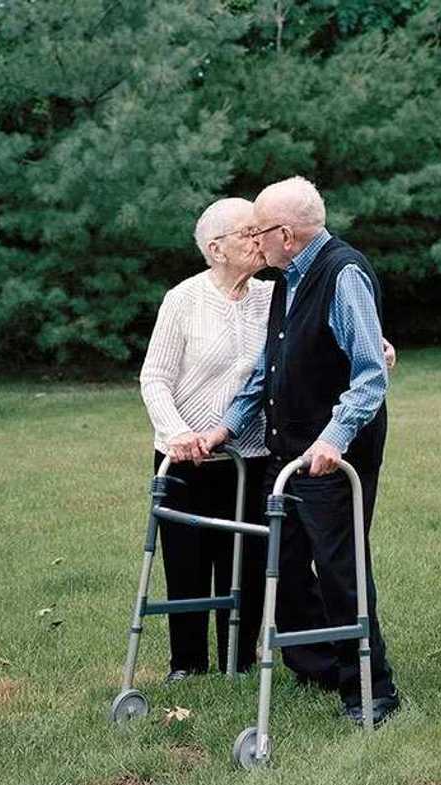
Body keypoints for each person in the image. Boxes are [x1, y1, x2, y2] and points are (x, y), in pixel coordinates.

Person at [200, 176, 401, 726]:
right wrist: (227, 426)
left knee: (340, 566)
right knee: (282, 561)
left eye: (259, 231)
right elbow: (269, 365)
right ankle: (319, 667)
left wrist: (333, 440)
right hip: (284, 447)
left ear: (286, 234)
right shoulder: (290, 277)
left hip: (334, 450)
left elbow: (368, 374)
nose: (254, 241)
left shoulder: (343, 275)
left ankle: (371, 690)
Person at [139, 197, 271, 681]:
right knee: (188, 564)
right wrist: (177, 433)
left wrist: (375, 341)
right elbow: (154, 377)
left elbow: (317, 335)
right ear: (217, 249)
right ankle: (188, 666)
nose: (260, 241)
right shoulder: (184, 299)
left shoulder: (270, 298)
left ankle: (238, 661)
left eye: (260, 232)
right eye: (248, 234)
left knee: (248, 563)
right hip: (186, 457)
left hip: (250, 453)